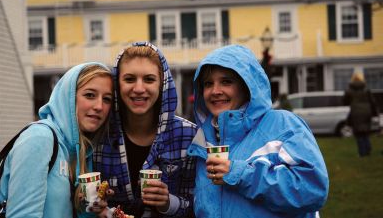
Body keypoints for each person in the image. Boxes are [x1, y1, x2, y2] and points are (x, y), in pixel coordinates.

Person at [187, 45, 329, 217]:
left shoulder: (283, 125)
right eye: (208, 84)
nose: (215, 91)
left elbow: (312, 190)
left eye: (226, 82)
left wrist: (239, 174)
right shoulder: (203, 140)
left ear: (247, 86)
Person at [94, 42, 198, 218]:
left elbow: (199, 205)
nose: (139, 88)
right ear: (117, 84)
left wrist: (168, 203)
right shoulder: (99, 138)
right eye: (129, 79)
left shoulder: (188, 136)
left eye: (149, 79)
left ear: (162, 84)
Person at [0, 62, 113, 217]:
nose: (99, 106)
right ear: (68, 97)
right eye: (90, 95)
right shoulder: (39, 138)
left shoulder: (83, 150)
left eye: (107, 99)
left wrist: (95, 210)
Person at [343, 72, 378, 157]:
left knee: (358, 133)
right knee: (366, 132)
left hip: (356, 112)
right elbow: (373, 102)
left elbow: (345, 101)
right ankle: (368, 150)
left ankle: (362, 152)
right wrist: (375, 113)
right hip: (367, 112)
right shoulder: (366, 89)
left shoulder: (349, 90)